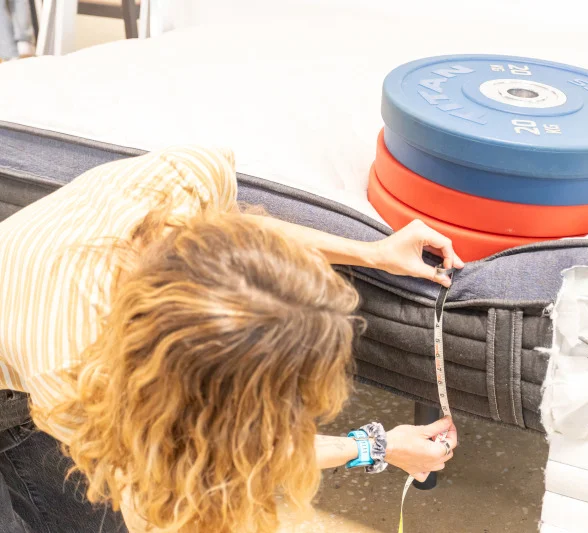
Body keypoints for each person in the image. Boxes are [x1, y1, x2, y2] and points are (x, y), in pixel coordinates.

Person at [0, 146, 463, 532]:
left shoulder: (184, 177)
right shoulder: (75, 371)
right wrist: (376, 446)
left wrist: (372, 254)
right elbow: (205, 463)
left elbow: (234, 236)